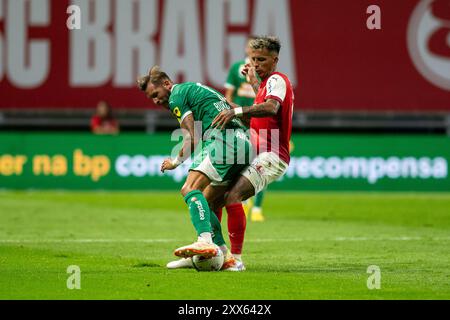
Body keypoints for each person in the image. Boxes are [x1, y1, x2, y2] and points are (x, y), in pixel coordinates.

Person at [137, 66, 252, 271]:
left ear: (166, 84)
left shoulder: (176, 96)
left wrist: (174, 162)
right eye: (151, 99)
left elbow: (192, 137)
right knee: (208, 202)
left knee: (189, 189)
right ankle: (222, 254)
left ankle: (205, 241)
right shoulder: (199, 90)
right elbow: (232, 105)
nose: (156, 101)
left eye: (156, 94)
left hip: (222, 140)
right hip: (243, 142)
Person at [212, 36, 295, 222]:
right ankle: (211, 243)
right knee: (218, 192)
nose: (256, 64)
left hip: (271, 154)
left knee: (232, 197)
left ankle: (232, 249)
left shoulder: (277, 79)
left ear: (275, 60)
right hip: (257, 149)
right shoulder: (267, 84)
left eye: (261, 60)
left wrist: (236, 112)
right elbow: (263, 100)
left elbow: (271, 107)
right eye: (253, 59)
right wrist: (251, 82)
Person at [224, 36, 266, 223]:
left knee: (262, 163)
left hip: (259, 121)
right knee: (240, 161)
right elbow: (229, 94)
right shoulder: (236, 68)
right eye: (251, 48)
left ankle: (257, 208)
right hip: (239, 121)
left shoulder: (264, 71)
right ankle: (242, 198)